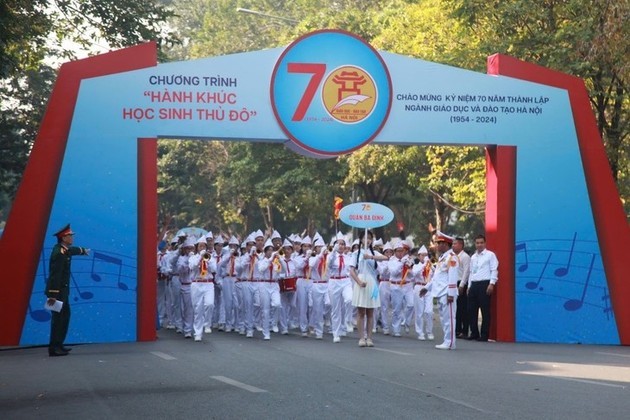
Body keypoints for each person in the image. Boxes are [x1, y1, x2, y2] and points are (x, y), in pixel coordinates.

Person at [45, 224, 89, 357]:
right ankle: (54, 347)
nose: (72, 238)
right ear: (63, 238)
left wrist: (82, 250)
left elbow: (72, 250)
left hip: (63, 293)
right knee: (58, 320)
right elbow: (55, 275)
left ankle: (59, 344)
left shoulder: (63, 250)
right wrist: (53, 295)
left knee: (64, 317)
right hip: (57, 293)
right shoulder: (59, 254)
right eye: (69, 236)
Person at [419, 231, 460, 350]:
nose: (437, 245)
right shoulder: (443, 258)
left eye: (439, 243)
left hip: (447, 293)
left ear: (446, 244)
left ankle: (451, 342)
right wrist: (426, 288)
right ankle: (447, 341)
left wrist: (451, 294)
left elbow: (452, 276)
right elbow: (437, 277)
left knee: (450, 319)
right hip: (441, 292)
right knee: (444, 319)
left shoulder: (451, 257)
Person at [348, 230, 387, 347]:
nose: (367, 240)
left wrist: (370, 256)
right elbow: (352, 270)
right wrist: (359, 282)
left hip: (372, 282)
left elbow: (386, 258)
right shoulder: (355, 254)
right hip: (361, 281)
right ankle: (361, 337)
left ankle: (369, 338)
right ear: (361, 239)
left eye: (370, 238)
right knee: (361, 312)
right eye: (365, 238)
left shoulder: (373, 252)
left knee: (370, 312)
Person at [464, 234, 499, 341]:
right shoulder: (473, 257)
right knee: (471, 310)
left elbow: (494, 269)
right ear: (475, 244)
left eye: (481, 242)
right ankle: (474, 333)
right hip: (474, 285)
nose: (479, 245)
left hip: (485, 284)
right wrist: (469, 286)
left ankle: (484, 335)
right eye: (477, 243)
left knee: (485, 311)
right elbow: (471, 272)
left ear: (485, 243)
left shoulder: (490, 255)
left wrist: (492, 283)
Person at [453, 237, 471, 338]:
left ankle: (464, 331)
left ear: (461, 245)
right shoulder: (453, 256)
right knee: (456, 309)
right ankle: (457, 329)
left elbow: (466, 271)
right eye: (453, 244)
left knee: (463, 308)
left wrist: (462, 285)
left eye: (455, 244)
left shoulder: (465, 257)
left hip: (462, 283)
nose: (453, 246)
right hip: (454, 283)